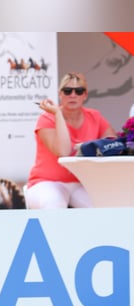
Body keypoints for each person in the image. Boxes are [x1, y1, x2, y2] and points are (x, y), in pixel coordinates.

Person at [25, 72, 116, 209]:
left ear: (85, 95)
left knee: (102, 206)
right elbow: (64, 151)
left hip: (81, 184)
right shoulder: (47, 118)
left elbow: (113, 143)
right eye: (67, 91)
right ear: (60, 94)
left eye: (78, 91)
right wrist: (57, 114)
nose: (73, 95)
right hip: (45, 182)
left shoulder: (94, 116)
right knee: (54, 202)